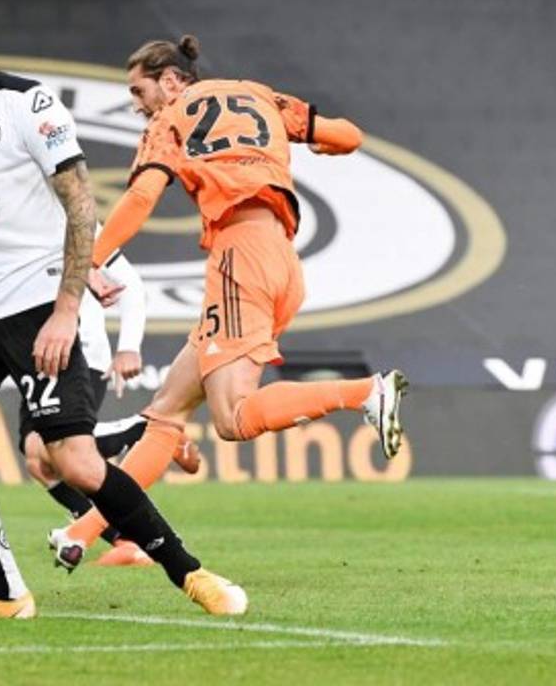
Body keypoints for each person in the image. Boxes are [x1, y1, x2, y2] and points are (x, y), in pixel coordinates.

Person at [0, 0, 246, 619]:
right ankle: (5, 593)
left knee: (76, 463)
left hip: (39, 310)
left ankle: (192, 574)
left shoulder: (29, 104)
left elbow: (81, 203)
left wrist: (66, 310)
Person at [49, 36, 407, 568]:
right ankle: (83, 532)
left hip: (240, 257)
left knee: (233, 418)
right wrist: (316, 147)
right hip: (282, 260)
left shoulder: (171, 118)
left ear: (171, 80)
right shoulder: (258, 95)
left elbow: (142, 197)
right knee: (166, 415)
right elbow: (348, 136)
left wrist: (88, 263)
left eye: (140, 91)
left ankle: (366, 392)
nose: (138, 104)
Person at [21, 246, 199, 568]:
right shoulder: (9, 227)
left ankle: (146, 430)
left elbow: (130, 283)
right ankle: (125, 541)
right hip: (34, 354)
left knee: (43, 447)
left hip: (79, 352)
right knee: (40, 462)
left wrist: (128, 347)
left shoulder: (77, 222)